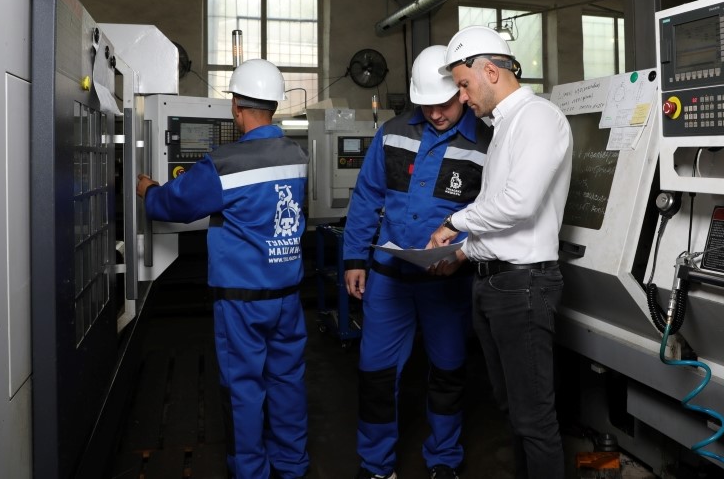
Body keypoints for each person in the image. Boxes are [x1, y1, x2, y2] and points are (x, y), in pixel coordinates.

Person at [136, 59, 310, 479]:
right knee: (287, 382)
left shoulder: (226, 163)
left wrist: (149, 190)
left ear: (236, 106)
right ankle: (292, 465)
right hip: (288, 296)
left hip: (242, 302)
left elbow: (176, 204)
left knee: (243, 390)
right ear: (275, 104)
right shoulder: (298, 154)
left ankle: (250, 471)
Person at [428, 26, 572, 479]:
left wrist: (453, 223)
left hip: (522, 286)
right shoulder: (505, 126)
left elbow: (519, 204)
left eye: (463, 85)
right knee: (512, 408)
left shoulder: (538, 118)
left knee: (534, 420)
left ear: (490, 71)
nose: (462, 97)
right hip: (495, 282)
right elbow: (500, 216)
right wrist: (463, 254)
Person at [342, 45, 493, 479]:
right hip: (389, 279)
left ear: (461, 92)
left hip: (448, 281)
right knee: (375, 374)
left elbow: (494, 212)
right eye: (427, 106)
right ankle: (376, 466)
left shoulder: (486, 143)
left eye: (443, 104)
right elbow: (367, 196)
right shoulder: (391, 133)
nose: (436, 114)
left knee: (448, 372)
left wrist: (460, 250)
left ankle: (444, 461)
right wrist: (354, 257)